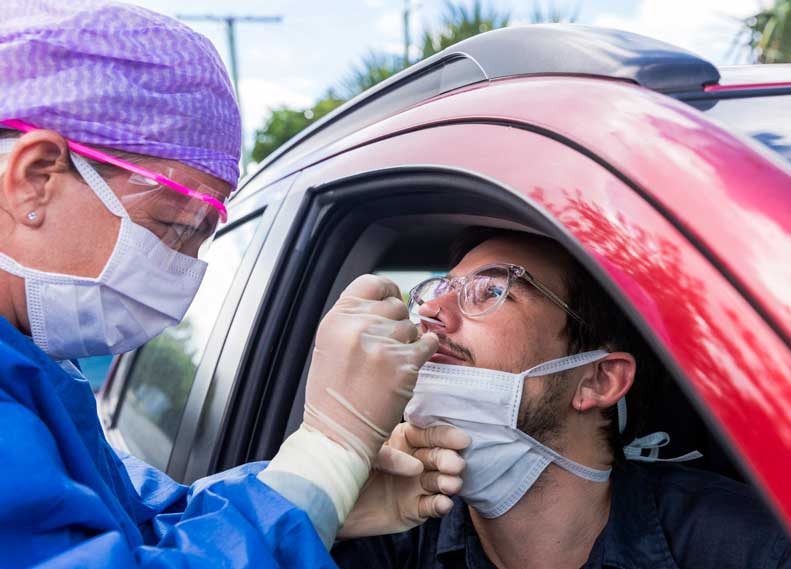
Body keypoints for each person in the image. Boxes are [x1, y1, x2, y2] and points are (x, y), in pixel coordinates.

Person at [0, 2, 467, 567]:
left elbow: (135, 522)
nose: (187, 268)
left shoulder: (37, 374)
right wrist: (328, 452)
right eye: (174, 227)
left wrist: (321, 495)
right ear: (35, 179)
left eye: (204, 237)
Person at [331, 229, 791, 569]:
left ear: (599, 380)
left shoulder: (747, 550)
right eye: (440, 288)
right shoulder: (384, 533)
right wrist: (318, 506)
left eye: (490, 291)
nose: (432, 312)